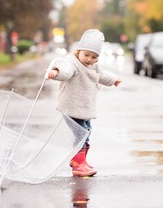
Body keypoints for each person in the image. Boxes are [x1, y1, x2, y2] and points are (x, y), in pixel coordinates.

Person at [47, 29, 122, 177]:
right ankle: (77, 164)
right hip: (71, 108)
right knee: (80, 134)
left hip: (85, 109)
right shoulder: (73, 64)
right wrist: (55, 73)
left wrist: (114, 80)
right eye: (86, 55)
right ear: (78, 51)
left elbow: (102, 75)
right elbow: (65, 71)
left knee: (86, 133)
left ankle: (80, 160)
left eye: (94, 56)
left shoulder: (93, 67)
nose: (89, 59)